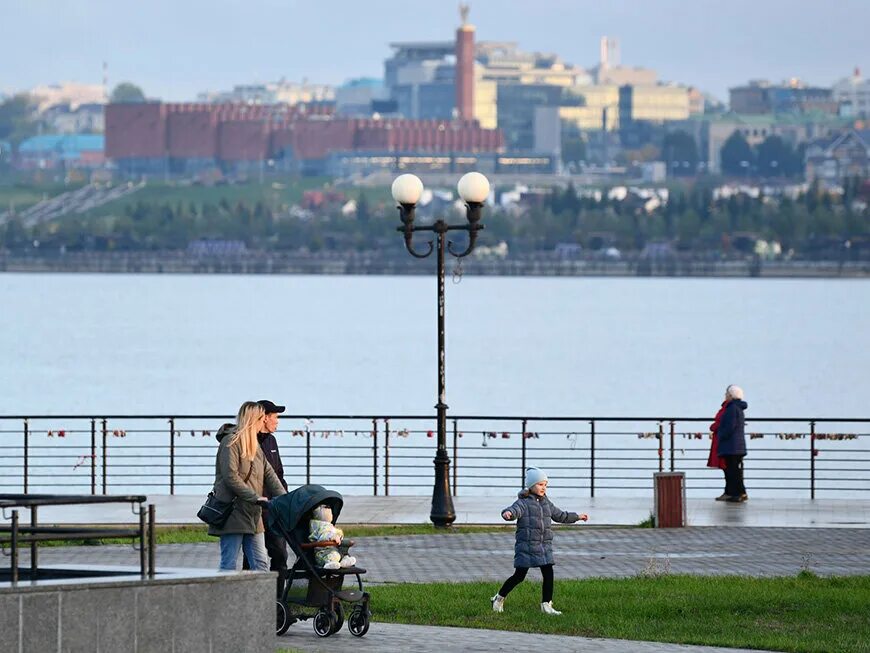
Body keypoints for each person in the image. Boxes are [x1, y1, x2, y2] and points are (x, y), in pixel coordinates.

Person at [491, 467, 588, 615]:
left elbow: (560, 516)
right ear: (531, 485)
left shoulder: (546, 502)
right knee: (519, 576)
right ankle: (498, 598)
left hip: (544, 546)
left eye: (545, 485)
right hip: (527, 547)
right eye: (540, 484)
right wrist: (508, 514)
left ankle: (546, 605)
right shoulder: (523, 502)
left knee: (548, 573)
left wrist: (578, 517)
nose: (543, 488)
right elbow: (513, 510)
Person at [209, 401, 287, 571]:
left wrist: (286, 500)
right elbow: (231, 477)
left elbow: (270, 474)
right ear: (253, 420)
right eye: (261, 419)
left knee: (261, 563)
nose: (264, 422)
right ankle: (225, 597)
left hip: (253, 513)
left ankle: (262, 598)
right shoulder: (230, 443)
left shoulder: (256, 445)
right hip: (233, 512)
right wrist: (255, 497)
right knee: (229, 563)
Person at [241, 400, 289, 591]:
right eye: (275, 417)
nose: (277, 421)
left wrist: (286, 501)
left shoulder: (272, 441)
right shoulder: (247, 441)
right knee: (252, 558)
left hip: (274, 510)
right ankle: (250, 597)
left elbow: (278, 475)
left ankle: (277, 600)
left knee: (280, 555)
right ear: (264, 417)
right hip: (254, 510)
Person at [717, 384, 748, 503]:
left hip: (732, 446)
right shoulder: (737, 408)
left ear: (731, 395)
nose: (725, 396)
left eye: (726, 394)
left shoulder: (732, 409)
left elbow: (730, 427)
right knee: (734, 470)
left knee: (733, 471)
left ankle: (740, 492)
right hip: (736, 446)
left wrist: (721, 434)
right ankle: (734, 492)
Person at [707, 393, 729, 500]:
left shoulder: (727, 408)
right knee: (728, 468)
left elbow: (720, 423)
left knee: (728, 468)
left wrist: (713, 427)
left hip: (723, 442)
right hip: (723, 441)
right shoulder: (727, 407)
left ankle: (730, 491)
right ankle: (730, 491)